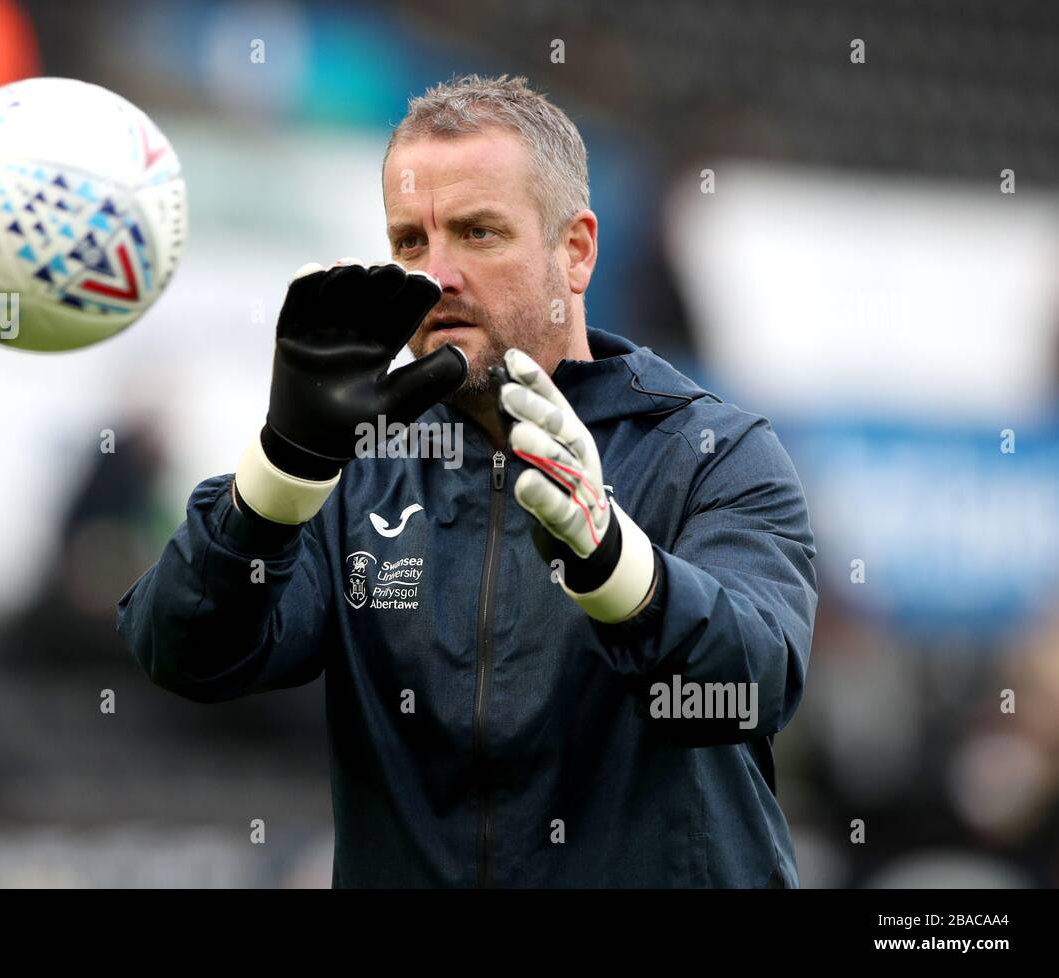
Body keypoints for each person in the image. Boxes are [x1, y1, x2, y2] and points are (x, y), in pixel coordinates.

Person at [117, 74, 817, 887]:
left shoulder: (714, 452)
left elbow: (750, 687)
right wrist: (281, 470)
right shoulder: (355, 472)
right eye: (411, 241)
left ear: (576, 250)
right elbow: (184, 653)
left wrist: (616, 563)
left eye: (478, 233)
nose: (436, 275)